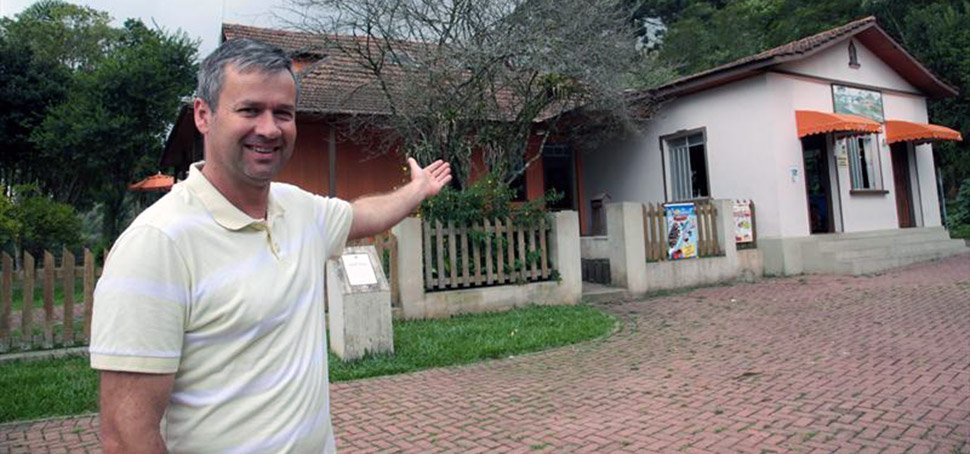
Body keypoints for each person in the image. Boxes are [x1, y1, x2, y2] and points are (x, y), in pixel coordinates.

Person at [89, 38, 451, 453]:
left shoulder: (298, 210)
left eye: (283, 113)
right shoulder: (157, 244)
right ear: (203, 115)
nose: (269, 128)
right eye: (249, 110)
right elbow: (125, 436)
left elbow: (365, 215)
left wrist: (418, 189)